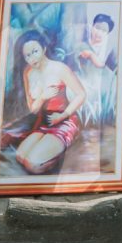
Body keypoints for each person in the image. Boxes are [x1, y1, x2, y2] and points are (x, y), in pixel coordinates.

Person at [9, 30, 87, 174]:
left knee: (32, 164)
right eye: (27, 55)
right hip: (43, 122)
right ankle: (51, 150)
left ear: (44, 48)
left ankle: (62, 150)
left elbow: (81, 94)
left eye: (35, 51)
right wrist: (43, 97)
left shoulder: (60, 69)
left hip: (64, 120)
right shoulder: (28, 72)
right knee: (20, 156)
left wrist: (63, 115)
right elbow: (33, 109)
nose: (32, 58)